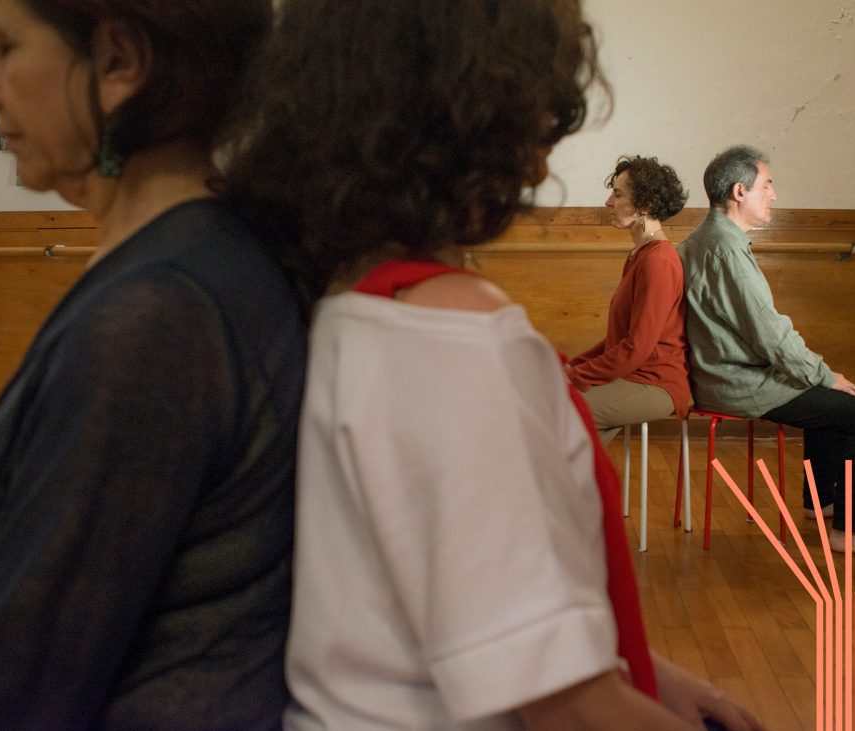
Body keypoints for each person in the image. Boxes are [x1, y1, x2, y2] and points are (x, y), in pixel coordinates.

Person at [223, 1, 764, 729]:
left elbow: (455, 604)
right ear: (483, 117)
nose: (542, 156)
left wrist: (648, 672)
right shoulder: (458, 343)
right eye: (541, 114)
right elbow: (569, 708)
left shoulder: (338, 305)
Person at [0, 2, 306, 729]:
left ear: (120, 60)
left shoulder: (160, 316)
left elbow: (22, 686)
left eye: (2, 46)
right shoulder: (184, 257)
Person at [678, 145, 855, 557]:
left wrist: (816, 375)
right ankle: (851, 531)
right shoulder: (725, 249)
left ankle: (820, 502)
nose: (774, 194)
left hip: (718, 375)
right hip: (736, 383)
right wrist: (823, 373)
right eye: (767, 185)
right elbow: (770, 335)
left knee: (822, 393)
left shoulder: (701, 239)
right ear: (739, 191)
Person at [568, 155, 691, 446]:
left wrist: (577, 375)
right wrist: (575, 366)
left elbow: (637, 346)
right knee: (567, 431)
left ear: (644, 205)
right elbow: (620, 339)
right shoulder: (641, 255)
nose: (608, 202)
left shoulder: (658, 261)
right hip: (633, 374)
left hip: (654, 382)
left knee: (561, 409)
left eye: (618, 194)